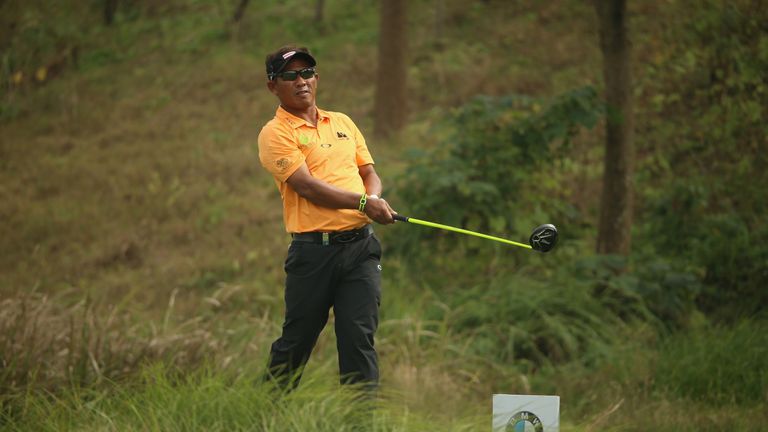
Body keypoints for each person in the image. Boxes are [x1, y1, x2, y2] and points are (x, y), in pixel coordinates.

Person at [257, 45, 396, 394]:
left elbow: (368, 171)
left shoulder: (343, 122)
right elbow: (307, 187)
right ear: (273, 86)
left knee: (358, 338)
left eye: (307, 73)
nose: (301, 81)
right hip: (313, 254)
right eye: (290, 75)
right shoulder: (275, 133)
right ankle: (261, 414)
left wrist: (373, 198)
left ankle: (363, 424)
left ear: (316, 78)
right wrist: (365, 203)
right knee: (297, 341)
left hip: (361, 250)